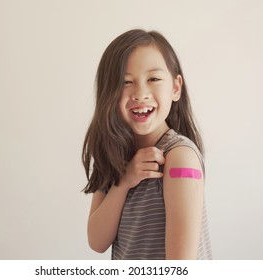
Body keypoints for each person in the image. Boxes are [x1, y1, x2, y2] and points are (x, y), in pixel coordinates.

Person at [82, 29, 212, 260]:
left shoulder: (180, 158)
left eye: (153, 79)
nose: (140, 93)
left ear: (175, 88)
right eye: (126, 82)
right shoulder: (114, 155)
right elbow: (97, 240)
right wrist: (123, 182)